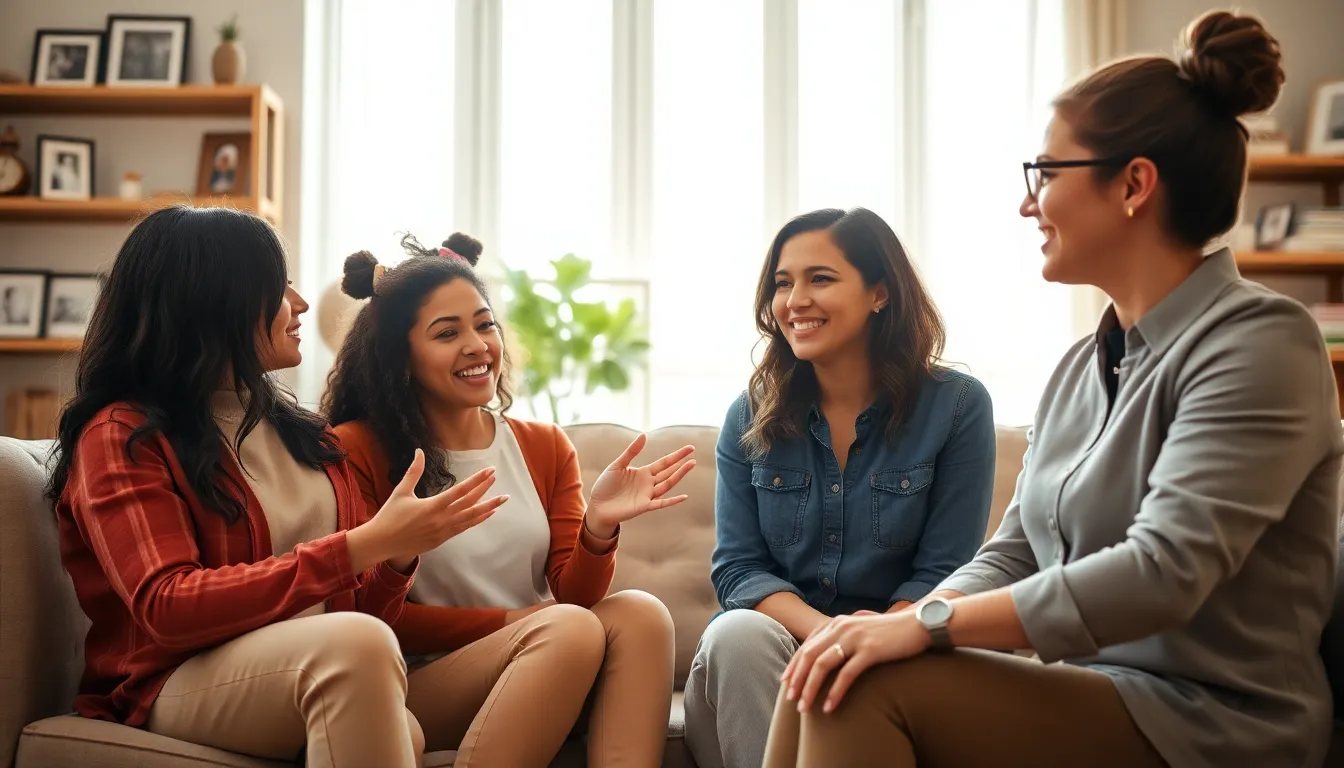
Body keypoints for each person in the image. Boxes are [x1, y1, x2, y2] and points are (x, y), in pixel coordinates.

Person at [767, 11, 1340, 768]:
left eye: (1046, 173)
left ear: (1134, 184)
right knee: (831, 667)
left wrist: (924, 627)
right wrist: (892, 621)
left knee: (866, 684)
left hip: (1216, 722)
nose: (1027, 203)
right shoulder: (1081, 366)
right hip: (1096, 689)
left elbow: (1162, 574)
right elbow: (1012, 554)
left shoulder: (1261, 343)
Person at [49, 206, 508, 768]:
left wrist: (396, 555)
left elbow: (365, 615)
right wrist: (358, 547)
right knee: (356, 654)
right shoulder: (122, 433)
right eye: (280, 287)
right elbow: (167, 606)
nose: (302, 304)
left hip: (317, 668)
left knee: (386, 698)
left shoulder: (308, 437)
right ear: (216, 301)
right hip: (172, 681)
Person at [323, 233, 694, 768]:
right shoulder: (357, 448)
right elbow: (370, 618)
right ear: (400, 358)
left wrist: (599, 527)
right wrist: (520, 623)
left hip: (554, 651)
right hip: (422, 680)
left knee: (641, 613)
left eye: (484, 324)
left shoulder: (543, 446)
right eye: (447, 333)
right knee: (567, 628)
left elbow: (575, 595)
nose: (477, 345)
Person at [683, 207, 996, 768]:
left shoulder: (957, 407)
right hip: (770, 653)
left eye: (819, 279)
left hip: (898, 646)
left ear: (880, 292)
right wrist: (830, 633)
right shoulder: (749, 416)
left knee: (893, 674)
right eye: (783, 283)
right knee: (738, 635)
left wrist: (880, 637)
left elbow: (947, 569)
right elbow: (738, 570)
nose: (794, 300)